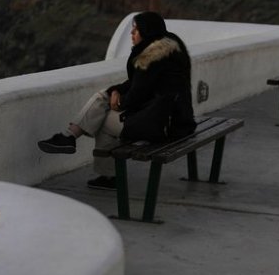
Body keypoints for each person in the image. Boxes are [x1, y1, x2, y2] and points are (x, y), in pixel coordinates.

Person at [37, 12, 196, 190]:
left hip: (165, 125)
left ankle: (107, 174)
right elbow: (140, 84)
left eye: (137, 30)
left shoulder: (151, 57)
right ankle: (70, 138)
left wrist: (119, 102)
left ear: (147, 31)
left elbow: (137, 95)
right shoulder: (168, 48)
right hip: (178, 119)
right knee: (102, 99)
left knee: (103, 121)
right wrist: (115, 91)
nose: (132, 34)